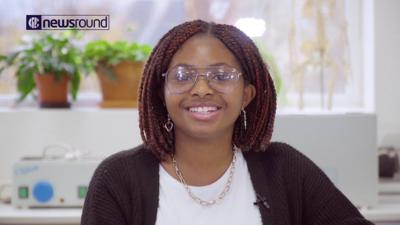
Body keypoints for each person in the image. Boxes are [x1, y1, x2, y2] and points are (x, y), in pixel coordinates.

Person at [81, 20, 373, 225]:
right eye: (183, 76)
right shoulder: (117, 179)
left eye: (221, 76)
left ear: (247, 94)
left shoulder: (284, 168)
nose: (202, 89)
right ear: (161, 93)